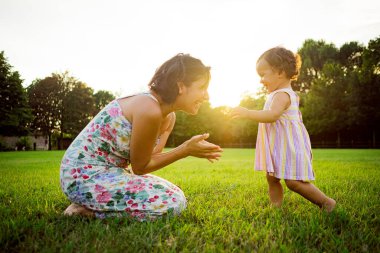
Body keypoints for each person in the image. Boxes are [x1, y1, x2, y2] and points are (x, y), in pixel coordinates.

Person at [60, 53, 223, 221]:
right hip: (81, 176)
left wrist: (186, 149)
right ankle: (86, 211)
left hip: (110, 173)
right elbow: (140, 168)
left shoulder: (168, 117)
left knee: (175, 194)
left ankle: (90, 204)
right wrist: (185, 150)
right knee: (172, 203)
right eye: (202, 88)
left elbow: (151, 157)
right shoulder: (148, 108)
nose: (207, 96)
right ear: (181, 86)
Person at [231, 47, 336, 212]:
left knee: (293, 182)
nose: (261, 80)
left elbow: (272, 115)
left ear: (280, 72)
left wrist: (247, 113)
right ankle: (276, 207)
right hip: (278, 146)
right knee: (271, 177)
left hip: (289, 147)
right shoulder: (276, 94)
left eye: (263, 74)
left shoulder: (283, 95)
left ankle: (326, 202)